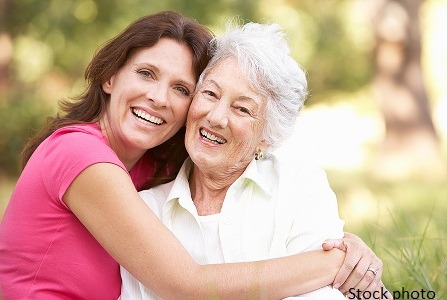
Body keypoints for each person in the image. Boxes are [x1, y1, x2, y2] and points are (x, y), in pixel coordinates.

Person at [0, 11, 386, 300]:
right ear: (110, 76)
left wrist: (347, 243)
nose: (158, 97)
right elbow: (185, 285)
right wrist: (333, 263)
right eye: (146, 73)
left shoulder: (152, 166)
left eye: (182, 88)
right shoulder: (79, 154)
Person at [120, 22, 391, 299]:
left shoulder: (300, 189)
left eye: (242, 108)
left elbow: (325, 294)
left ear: (267, 137)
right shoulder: (147, 209)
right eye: (210, 94)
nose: (216, 117)